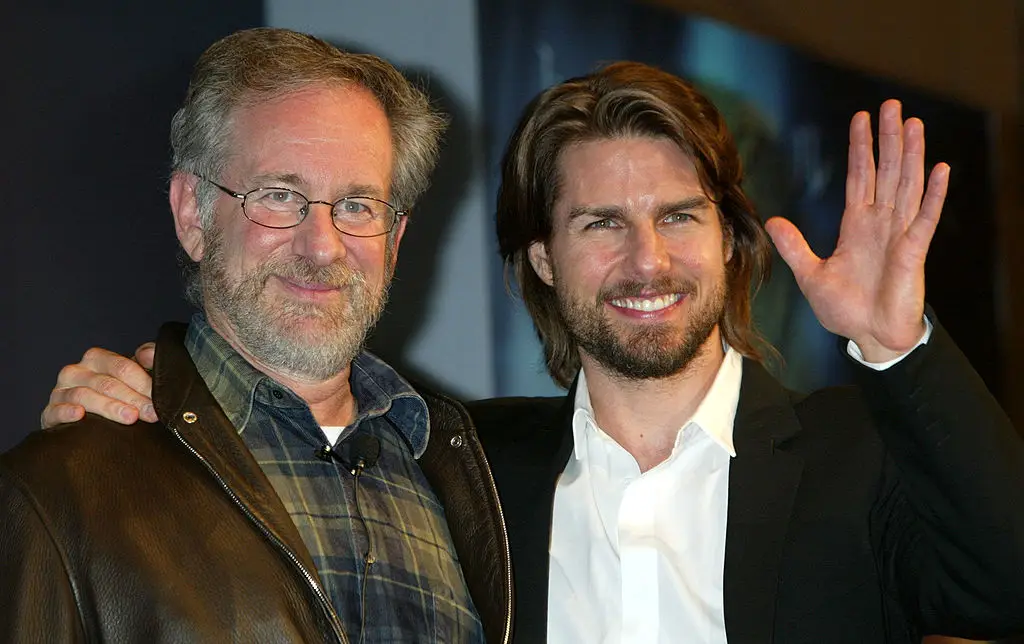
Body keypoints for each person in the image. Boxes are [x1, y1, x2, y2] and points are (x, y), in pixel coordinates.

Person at [39, 63, 1024, 643]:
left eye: (678, 215)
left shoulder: (856, 456)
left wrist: (898, 347)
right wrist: (143, 413)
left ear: (728, 237)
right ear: (543, 257)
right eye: (601, 222)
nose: (647, 258)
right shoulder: (458, 464)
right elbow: (272, 476)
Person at [2, 28, 511, 643]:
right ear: (193, 213)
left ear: (394, 240)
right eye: (279, 196)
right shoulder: (63, 493)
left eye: (356, 205)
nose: (322, 247)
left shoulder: (472, 481)